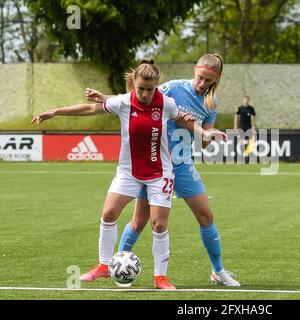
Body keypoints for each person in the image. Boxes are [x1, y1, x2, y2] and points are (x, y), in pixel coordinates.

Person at [31, 58, 218, 290]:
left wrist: (204, 133)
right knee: (109, 213)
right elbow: (91, 108)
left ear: (156, 86)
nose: (145, 94)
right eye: (141, 89)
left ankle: (161, 279)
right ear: (134, 84)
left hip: (160, 173)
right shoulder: (124, 102)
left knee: (158, 225)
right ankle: (103, 266)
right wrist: (55, 111)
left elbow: (185, 121)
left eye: (150, 90)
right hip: (129, 172)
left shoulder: (166, 103)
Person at [86, 53, 240, 286]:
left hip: (184, 166)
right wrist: (106, 98)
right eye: (200, 77)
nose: (202, 84)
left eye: (208, 81)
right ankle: (115, 265)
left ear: (215, 81)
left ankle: (217, 271)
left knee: (206, 216)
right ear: (194, 71)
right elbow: (138, 99)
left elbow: (204, 141)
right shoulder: (172, 89)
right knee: (139, 222)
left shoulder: (211, 104)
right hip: (155, 165)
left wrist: (210, 136)